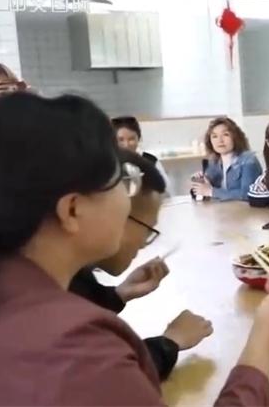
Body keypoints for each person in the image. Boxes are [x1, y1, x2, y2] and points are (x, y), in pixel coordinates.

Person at [0, 92, 269, 406]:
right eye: (121, 183)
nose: (129, 201)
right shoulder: (76, 351)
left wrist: (118, 294)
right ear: (73, 210)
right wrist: (263, 342)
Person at [69, 149, 212, 381]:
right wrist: (170, 342)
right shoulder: (43, 295)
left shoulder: (71, 276)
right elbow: (106, 378)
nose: (144, 243)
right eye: (146, 229)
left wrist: (118, 295)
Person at [191, 116, 262, 202]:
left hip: (245, 209)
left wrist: (212, 192)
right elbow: (205, 191)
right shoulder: (214, 162)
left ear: (235, 137)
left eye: (226, 135)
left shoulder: (248, 160)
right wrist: (200, 181)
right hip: (224, 209)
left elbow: (247, 194)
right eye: (214, 136)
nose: (220, 140)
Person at [112, 115, 172, 193]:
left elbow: (166, 192)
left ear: (139, 138)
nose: (126, 145)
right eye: (120, 140)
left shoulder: (151, 161)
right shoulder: (108, 164)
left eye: (131, 139)